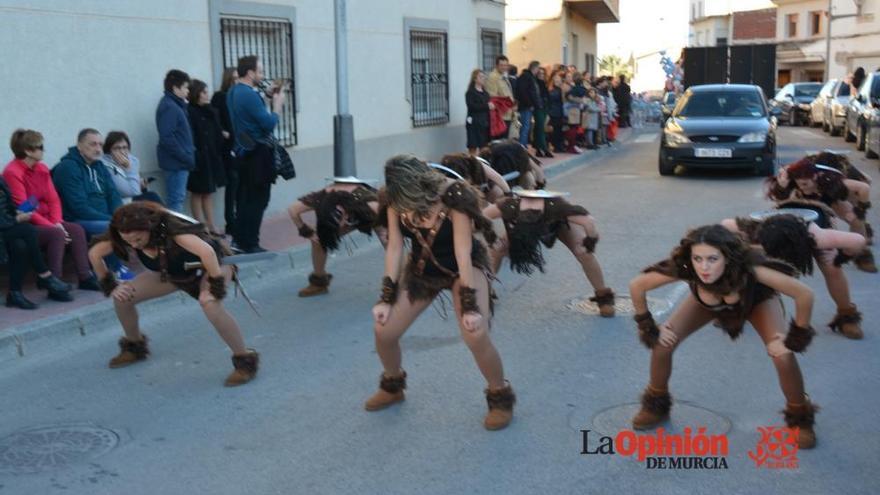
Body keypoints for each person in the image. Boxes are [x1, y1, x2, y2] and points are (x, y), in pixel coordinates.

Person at [629, 225, 819, 449]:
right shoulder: (686, 266)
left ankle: (800, 416)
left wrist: (793, 339)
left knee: (782, 356)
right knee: (662, 345)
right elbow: (637, 285)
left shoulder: (751, 267)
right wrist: (649, 327)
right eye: (697, 259)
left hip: (756, 303)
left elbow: (804, 294)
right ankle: (655, 404)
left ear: (727, 258)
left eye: (712, 259)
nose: (704, 267)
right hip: (707, 304)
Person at [364, 155, 516, 430]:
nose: (404, 208)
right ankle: (393, 384)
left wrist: (470, 305)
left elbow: (462, 251)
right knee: (383, 330)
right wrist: (386, 298)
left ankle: (500, 396)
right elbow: (395, 248)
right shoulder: (393, 199)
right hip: (423, 270)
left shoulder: (455, 196)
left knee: (475, 334)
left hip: (465, 268)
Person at [87, 202, 259, 386]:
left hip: (213, 266)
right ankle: (134, 346)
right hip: (171, 273)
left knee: (209, 304)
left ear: (149, 227)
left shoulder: (173, 231)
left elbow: (207, 252)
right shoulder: (122, 233)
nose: (133, 244)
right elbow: (95, 254)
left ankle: (244, 360)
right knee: (123, 298)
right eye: (129, 241)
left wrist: (215, 287)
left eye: (138, 239)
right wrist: (111, 286)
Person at [722, 213, 867, 339]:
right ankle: (738, 306)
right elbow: (725, 225)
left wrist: (842, 258)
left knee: (832, 269)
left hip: (809, 231)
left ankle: (847, 315)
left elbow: (858, 241)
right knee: (743, 265)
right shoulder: (749, 230)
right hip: (773, 226)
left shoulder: (818, 238)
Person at [482, 189, 615, 316]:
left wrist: (589, 243)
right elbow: (481, 217)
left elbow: (588, 222)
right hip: (519, 234)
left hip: (560, 225)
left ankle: (603, 295)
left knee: (584, 253)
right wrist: (492, 239)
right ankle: (485, 291)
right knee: (496, 250)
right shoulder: (508, 206)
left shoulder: (557, 207)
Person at [4, 129, 98, 290]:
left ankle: (85, 276)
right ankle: (53, 282)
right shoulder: (12, 172)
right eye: (40, 147)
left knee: (76, 229)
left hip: (48, 220)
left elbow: (53, 199)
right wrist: (53, 226)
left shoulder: (42, 168)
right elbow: (24, 208)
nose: (43, 150)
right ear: (28, 151)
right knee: (56, 234)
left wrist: (57, 222)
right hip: (29, 224)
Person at [767, 158, 875, 272]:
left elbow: (864, 188)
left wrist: (861, 210)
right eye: (800, 185)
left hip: (836, 187)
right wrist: (782, 186)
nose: (803, 188)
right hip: (818, 183)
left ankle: (863, 253)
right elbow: (777, 197)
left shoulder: (834, 180)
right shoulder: (790, 177)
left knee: (855, 218)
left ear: (814, 178)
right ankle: (863, 234)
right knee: (853, 216)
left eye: (805, 184)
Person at [52, 129, 132, 280]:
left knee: (134, 220)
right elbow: (78, 207)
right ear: (80, 146)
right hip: (77, 219)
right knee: (108, 227)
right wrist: (111, 220)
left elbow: (113, 195)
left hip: (103, 216)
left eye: (100, 145)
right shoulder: (68, 168)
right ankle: (116, 268)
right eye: (93, 144)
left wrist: (119, 215)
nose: (98, 149)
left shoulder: (99, 166)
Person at [288, 177, 385, 297]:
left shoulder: (372, 204)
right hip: (349, 212)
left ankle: (398, 284)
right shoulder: (319, 198)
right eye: (336, 221)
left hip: (369, 215)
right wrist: (306, 232)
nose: (342, 225)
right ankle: (319, 282)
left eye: (341, 220)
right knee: (319, 238)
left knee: (388, 240)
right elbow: (292, 210)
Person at [227, 55, 285, 253]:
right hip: (257, 154)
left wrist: (265, 96)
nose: (262, 74)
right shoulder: (249, 95)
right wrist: (277, 108)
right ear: (250, 73)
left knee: (244, 199)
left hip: (243, 152)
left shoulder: (234, 91)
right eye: (260, 71)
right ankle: (250, 243)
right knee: (258, 200)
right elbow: (268, 124)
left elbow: (249, 114)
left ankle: (239, 240)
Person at [1, 176, 73, 308]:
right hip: (4, 228)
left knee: (20, 246)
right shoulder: (10, 172)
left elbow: (7, 206)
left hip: (6, 227)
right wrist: (17, 219)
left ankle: (14, 294)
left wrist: (18, 211)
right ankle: (44, 275)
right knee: (28, 230)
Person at [187, 79, 227, 236]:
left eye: (207, 91)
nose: (207, 95)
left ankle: (211, 225)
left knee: (209, 191)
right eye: (203, 92)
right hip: (198, 157)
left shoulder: (211, 110)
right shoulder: (190, 111)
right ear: (196, 93)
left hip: (211, 156)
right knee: (197, 192)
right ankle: (200, 226)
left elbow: (216, 132)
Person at [155, 69, 196, 212]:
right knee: (175, 202)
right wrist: (185, 157)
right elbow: (167, 137)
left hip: (179, 162)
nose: (187, 91)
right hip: (176, 163)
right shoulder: (170, 107)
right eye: (185, 87)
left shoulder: (176, 105)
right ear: (175, 88)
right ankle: (175, 234)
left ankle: (176, 232)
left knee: (177, 200)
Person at [212, 68, 239, 239]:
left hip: (240, 148)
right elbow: (214, 120)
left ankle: (237, 220)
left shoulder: (239, 97)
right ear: (228, 79)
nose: (236, 81)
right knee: (232, 184)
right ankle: (231, 222)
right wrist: (222, 131)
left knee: (239, 186)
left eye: (238, 78)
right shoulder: (220, 97)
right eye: (234, 78)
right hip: (227, 149)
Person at [100, 131, 163, 205]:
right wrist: (128, 169)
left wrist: (140, 184)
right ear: (108, 151)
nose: (122, 152)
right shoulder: (105, 164)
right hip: (117, 202)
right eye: (117, 148)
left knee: (151, 198)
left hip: (131, 199)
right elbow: (132, 192)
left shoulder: (133, 160)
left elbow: (135, 188)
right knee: (151, 197)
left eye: (125, 147)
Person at [485, 55, 516, 140]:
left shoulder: (503, 76)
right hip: (500, 117)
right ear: (496, 65)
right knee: (499, 143)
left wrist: (513, 105)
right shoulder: (493, 77)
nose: (504, 67)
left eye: (506, 65)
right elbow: (492, 98)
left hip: (508, 114)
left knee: (505, 142)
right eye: (501, 65)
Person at [515, 61, 542, 149]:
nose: (539, 71)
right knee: (525, 127)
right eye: (538, 68)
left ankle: (524, 145)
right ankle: (522, 146)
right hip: (525, 106)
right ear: (535, 68)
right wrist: (530, 103)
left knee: (526, 127)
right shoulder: (527, 77)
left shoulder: (528, 77)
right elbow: (524, 92)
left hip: (527, 105)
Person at [465, 69, 492, 155]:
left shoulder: (486, 93)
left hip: (484, 123)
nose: (483, 79)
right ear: (475, 79)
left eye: (484, 77)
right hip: (474, 123)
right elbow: (472, 106)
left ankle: (483, 165)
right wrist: (487, 106)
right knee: (472, 147)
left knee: (484, 148)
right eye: (480, 77)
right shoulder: (470, 93)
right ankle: (472, 164)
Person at [533, 66, 552, 157]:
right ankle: (544, 148)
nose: (541, 75)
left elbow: (547, 97)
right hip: (538, 108)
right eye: (539, 73)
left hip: (544, 108)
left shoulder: (544, 84)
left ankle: (539, 149)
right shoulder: (535, 83)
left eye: (543, 74)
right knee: (540, 128)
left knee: (540, 128)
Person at [546, 70, 566, 154]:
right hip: (554, 111)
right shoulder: (552, 90)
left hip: (559, 111)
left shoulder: (561, 89)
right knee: (554, 130)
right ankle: (555, 146)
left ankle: (559, 145)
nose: (558, 82)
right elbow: (552, 99)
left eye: (559, 80)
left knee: (559, 130)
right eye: (556, 80)